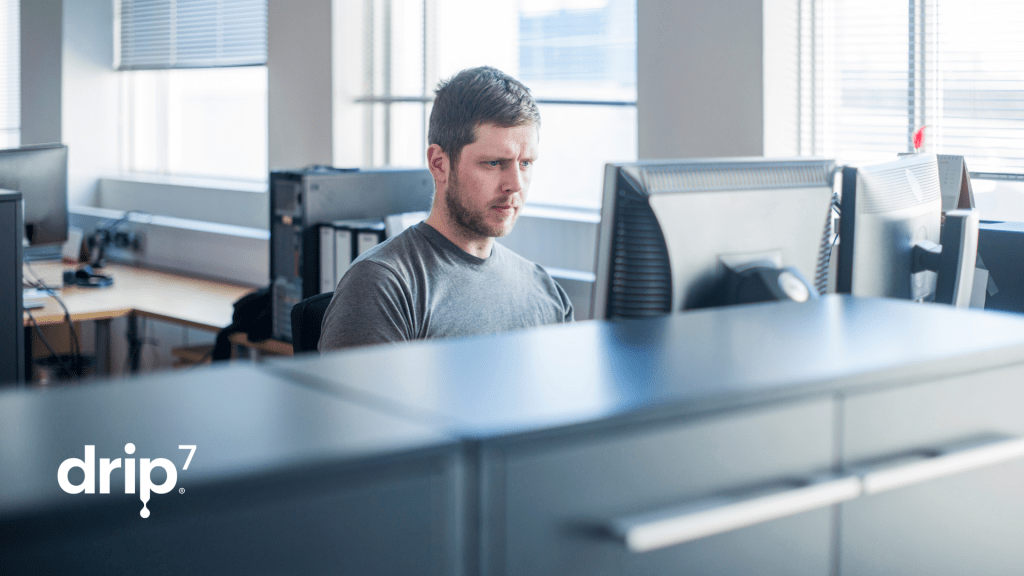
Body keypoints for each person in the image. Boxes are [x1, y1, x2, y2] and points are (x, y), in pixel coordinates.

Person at [318, 66, 574, 351]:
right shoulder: (382, 284)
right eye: (493, 163)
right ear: (440, 163)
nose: (515, 184)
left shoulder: (545, 293)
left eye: (525, 163)